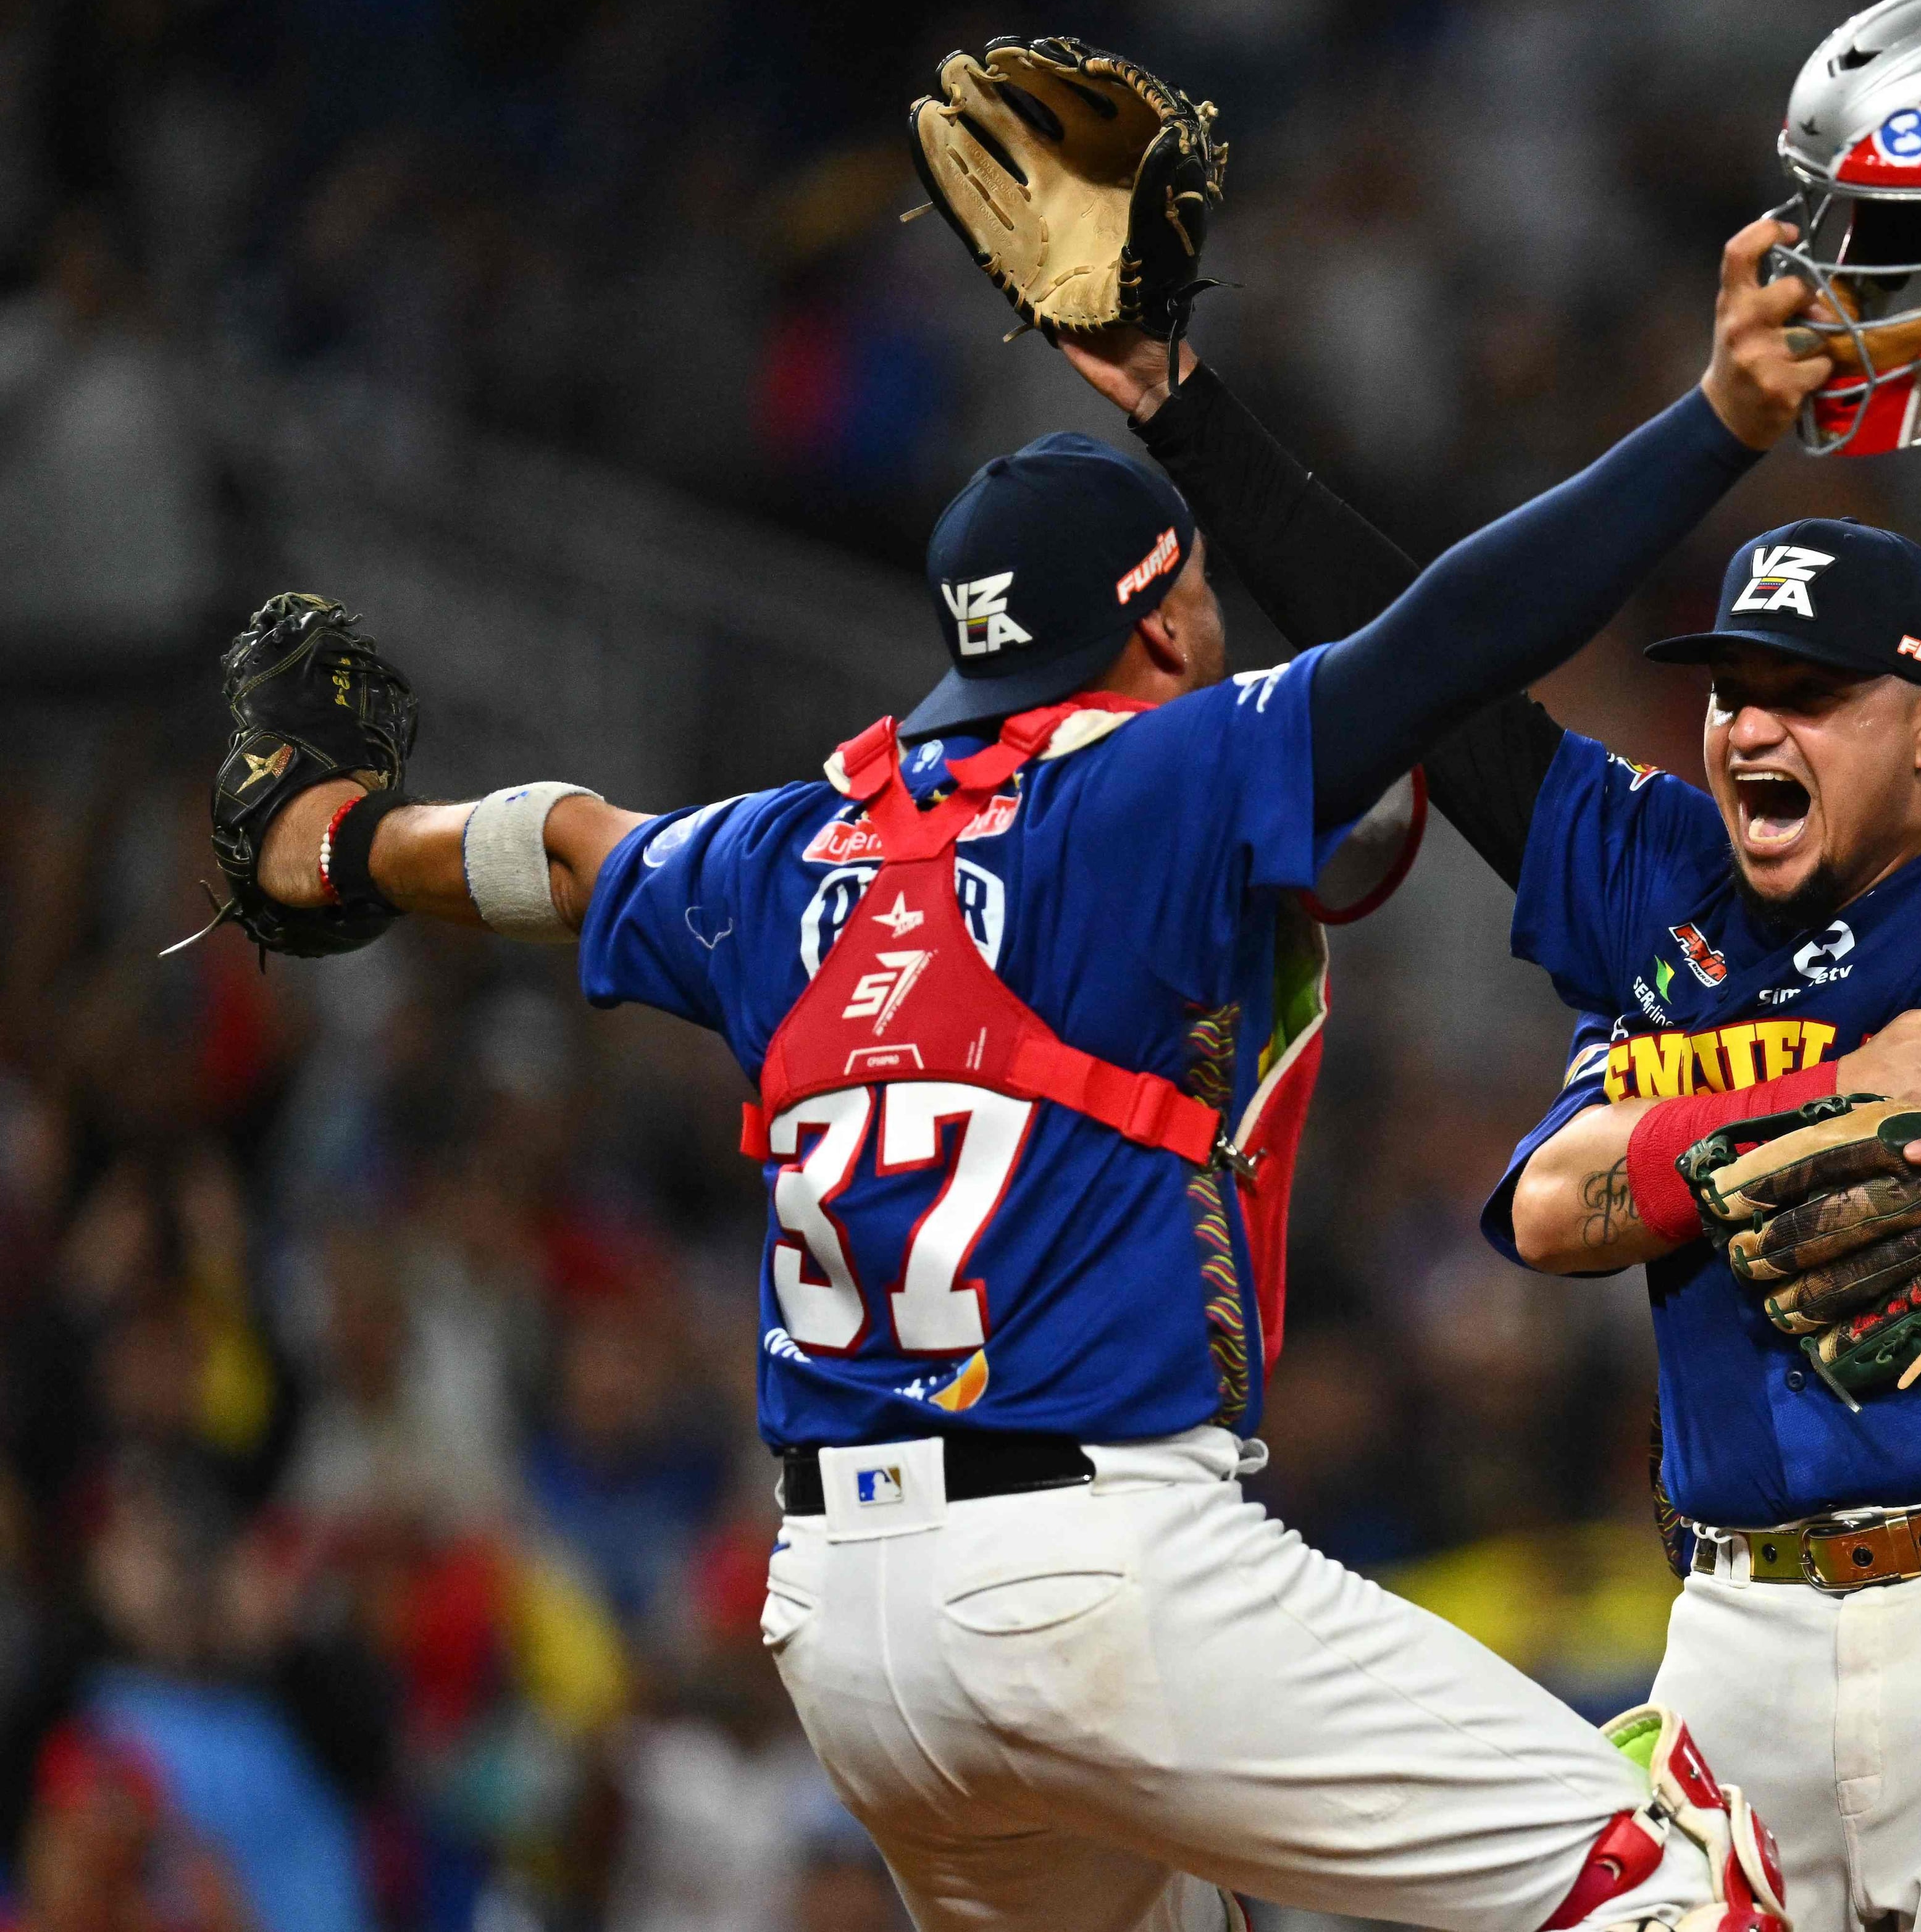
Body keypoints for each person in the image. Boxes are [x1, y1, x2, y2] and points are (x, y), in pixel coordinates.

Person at [225, 220, 1831, 1932]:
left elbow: (561, 847)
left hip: (842, 1624)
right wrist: (1717, 418)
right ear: (1155, 610)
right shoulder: (1144, 789)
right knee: (1669, 1889)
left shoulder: (788, 852)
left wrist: (341, 845)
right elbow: (1458, 634)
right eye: (1198, 580)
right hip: (1097, 1576)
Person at [1037, 322, 1921, 1928]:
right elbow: (1431, 668)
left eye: (1807, 691)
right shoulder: (1657, 887)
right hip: (1743, 1627)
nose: (1748, 727)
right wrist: (1189, 412)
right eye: (1729, 688)